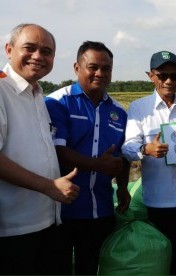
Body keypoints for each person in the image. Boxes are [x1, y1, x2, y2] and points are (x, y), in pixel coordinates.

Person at [44, 41, 130, 274]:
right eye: (93, 67)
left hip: (101, 208)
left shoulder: (119, 111)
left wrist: (123, 188)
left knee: (91, 268)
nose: (100, 74)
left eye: (106, 68)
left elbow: (122, 156)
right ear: (76, 67)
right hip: (61, 210)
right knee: (58, 267)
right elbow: (56, 150)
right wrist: (97, 165)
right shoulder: (56, 102)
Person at [0, 23, 80, 275]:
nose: (38, 56)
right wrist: (48, 186)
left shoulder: (37, 94)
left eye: (46, 51)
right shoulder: (2, 91)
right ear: (9, 49)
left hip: (48, 222)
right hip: (13, 230)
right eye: (29, 48)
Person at [122, 50, 176, 275]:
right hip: (160, 200)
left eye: (175, 75)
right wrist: (146, 149)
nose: (169, 81)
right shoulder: (138, 109)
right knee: (165, 258)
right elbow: (127, 148)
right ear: (151, 75)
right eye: (163, 75)